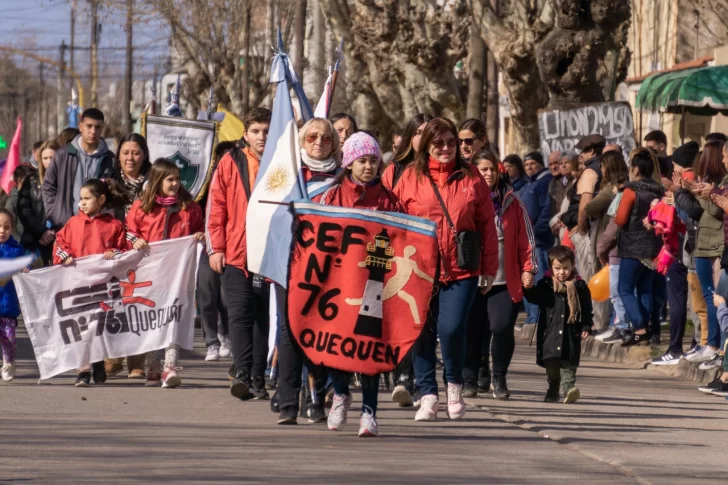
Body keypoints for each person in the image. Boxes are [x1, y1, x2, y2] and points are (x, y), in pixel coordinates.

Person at [393, 117, 498, 422]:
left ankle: (453, 384)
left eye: (451, 142)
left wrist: (489, 266)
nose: (446, 148)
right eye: (438, 142)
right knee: (421, 331)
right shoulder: (410, 177)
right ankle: (427, 394)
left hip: (461, 268)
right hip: (419, 269)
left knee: (450, 329)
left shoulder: (472, 178)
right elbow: (396, 222)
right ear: (426, 144)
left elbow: (486, 226)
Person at [318, 132, 401, 437]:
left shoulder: (389, 199)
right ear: (349, 162)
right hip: (339, 283)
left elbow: (404, 239)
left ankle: (370, 412)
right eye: (362, 160)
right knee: (335, 345)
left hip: (374, 285)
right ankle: (340, 394)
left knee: (369, 351)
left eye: (373, 160)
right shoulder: (332, 195)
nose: (368, 166)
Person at [275, 117, 342, 424]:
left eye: (326, 138)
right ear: (301, 143)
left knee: (320, 331)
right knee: (289, 331)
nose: (318, 143)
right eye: (312, 137)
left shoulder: (343, 179)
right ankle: (288, 401)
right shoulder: (285, 175)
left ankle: (316, 397)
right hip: (289, 263)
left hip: (330, 268)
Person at [206, 107, 273, 402]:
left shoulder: (282, 163)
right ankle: (243, 373)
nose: (261, 136)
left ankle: (260, 376)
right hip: (236, 253)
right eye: (256, 131)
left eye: (267, 131)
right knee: (240, 314)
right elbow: (216, 206)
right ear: (245, 134)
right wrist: (216, 248)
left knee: (263, 317)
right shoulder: (230, 161)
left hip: (272, 254)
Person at [463, 149, 536, 399]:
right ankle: (471, 376)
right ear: (473, 171)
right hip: (471, 277)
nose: (489, 173)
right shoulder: (463, 198)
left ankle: (499, 377)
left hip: (504, 278)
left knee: (502, 327)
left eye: (492, 168)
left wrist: (528, 268)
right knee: (473, 329)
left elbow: (526, 239)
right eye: (483, 169)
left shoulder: (512, 202)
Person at [127, 159, 205, 388]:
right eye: (169, 179)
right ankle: (152, 368)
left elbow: (200, 228)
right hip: (149, 275)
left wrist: (200, 236)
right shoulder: (142, 207)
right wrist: (136, 241)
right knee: (152, 321)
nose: (175, 184)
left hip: (178, 275)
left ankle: (170, 367)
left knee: (173, 318)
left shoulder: (189, 208)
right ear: (157, 182)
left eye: (177, 179)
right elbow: (128, 232)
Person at [52, 178, 130, 386]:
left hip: (103, 286)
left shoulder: (114, 225)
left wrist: (114, 254)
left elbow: (122, 250)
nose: (82, 203)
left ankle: (97, 361)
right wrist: (65, 255)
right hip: (77, 285)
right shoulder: (73, 223)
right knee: (81, 328)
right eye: (80, 199)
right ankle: (83, 370)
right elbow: (60, 242)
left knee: (98, 326)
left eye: (87, 198)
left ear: (101, 199)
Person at [676, 141, 728, 363]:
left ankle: (714, 345)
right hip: (704, 245)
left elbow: (714, 210)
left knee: (717, 299)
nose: (724, 160)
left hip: (715, 247)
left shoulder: (720, 183)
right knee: (708, 299)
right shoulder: (715, 184)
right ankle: (711, 345)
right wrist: (684, 192)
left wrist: (699, 193)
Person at [523, 245, 593, 403]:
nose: (562, 272)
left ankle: (569, 388)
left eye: (566, 268)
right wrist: (528, 288)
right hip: (550, 332)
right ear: (551, 268)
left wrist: (586, 326)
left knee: (569, 362)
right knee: (552, 362)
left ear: (573, 266)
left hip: (571, 331)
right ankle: (553, 389)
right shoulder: (545, 285)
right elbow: (534, 298)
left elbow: (587, 309)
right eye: (558, 268)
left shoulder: (580, 287)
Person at [652, 141, 701, 364]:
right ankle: (695, 344)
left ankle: (676, 348)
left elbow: (691, 212)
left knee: (684, 299)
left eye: (675, 164)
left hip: (684, 243)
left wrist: (673, 198)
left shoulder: (687, 180)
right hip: (687, 243)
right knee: (694, 300)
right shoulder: (691, 178)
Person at [614, 148, 665, 347]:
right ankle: (647, 332)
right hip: (654, 247)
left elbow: (620, 219)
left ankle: (640, 328)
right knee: (645, 289)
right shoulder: (660, 190)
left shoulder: (631, 191)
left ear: (635, 169)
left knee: (624, 288)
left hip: (633, 247)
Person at [43, 108, 114, 231]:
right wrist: (54, 214)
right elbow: (48, 186)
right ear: (80, 126)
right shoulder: (63, 154)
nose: (93, 131)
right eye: (89, 126)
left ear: (102, 129)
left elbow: (114, 193)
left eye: (97, 127)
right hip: (65, 226)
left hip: (98, 228)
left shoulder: (109, 158)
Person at [198, 140, 236, 363]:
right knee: (206, 294)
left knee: (226, 296)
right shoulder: (204, 183)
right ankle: (211, 341)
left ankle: (225, 335)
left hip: (231, 246)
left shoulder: (237, 180)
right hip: (205, 247)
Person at [672, 142, 709, 362]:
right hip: (695, 246)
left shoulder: (699, 182)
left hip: (700, 246)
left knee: (703, 301)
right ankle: (701, 341)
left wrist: (678, 194)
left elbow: (694, 214)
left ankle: (704, 342)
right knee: (697, 301)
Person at [586, 150, 629, 335]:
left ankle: (619, 326)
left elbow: (592, 208)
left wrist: (601, 249)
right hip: (615, 248)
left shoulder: (614, 191)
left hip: (615, 248)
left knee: (617, 291)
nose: (600, 170)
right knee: (616, 290)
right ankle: (616, 324)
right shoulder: (618, 189)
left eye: (602, 166)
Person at [521, 152, 554, 326]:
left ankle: (539, 316)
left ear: (541, 164)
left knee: (539, 277)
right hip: (527, 239)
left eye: (533, 163)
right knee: (528, 278)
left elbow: (545, 210)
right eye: (526, 165)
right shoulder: (531, 183)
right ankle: (531, 316)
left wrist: (534, 231)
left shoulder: (544, 182)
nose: (529, 167)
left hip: (539, 241)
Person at [0, 209, 25, 382]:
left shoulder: (17, 250)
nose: (2, 230)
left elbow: (25, 267)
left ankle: (9, 360)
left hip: (8, 304)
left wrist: (25, 269)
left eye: (6, 227)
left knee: (8, 337)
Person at [382, 113, 432, 190]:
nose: (423, 138)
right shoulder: (395, 169)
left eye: (427, 132)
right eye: (418, 133)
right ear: (410, 137)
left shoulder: (446, 166)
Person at [6, 166, 35, 242]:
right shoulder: (12, 201)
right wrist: (20, 243)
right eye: (30, 180)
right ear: (20, 180)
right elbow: (11, 227)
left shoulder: (32, 196)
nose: (33, 183)